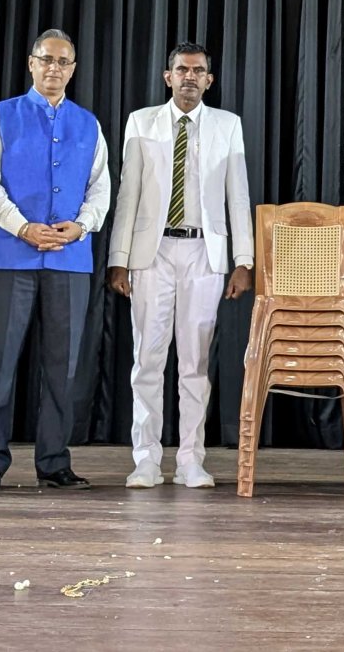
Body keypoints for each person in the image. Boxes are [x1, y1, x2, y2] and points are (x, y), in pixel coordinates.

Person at [106, 42, 254, 489]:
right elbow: (128, 193)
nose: (190, 76)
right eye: (182, 69)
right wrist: (118, 259)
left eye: (198, 70)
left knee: (195, 362)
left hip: (204, 252)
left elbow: (238, 196)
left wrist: (243, 260)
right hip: (152, 253)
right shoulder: (141, 122)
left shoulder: (227, 125)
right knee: (147, 359)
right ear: (167, 76)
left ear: (209, 79)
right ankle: (146, 459)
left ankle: (191, 460)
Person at [0, 28, 110, 491]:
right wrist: (22, 227)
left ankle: (54, 461)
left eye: (63, 61)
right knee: (0, 364)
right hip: (10, 256)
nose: (54, 68)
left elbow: (101, 187)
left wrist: (82, 225)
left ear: (73, 69)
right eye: (46, 59)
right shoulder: (1, 115)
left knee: (62, 367)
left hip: (69, 260)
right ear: (31, 63)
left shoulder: (88, 124)